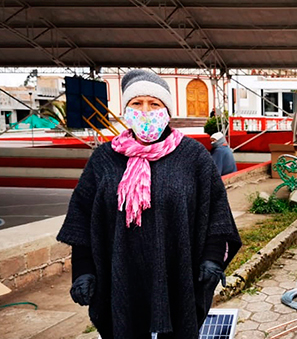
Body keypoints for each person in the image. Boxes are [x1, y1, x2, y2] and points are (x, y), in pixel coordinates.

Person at [57, 69, 242, 339]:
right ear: (126, 110)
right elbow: (82, 220)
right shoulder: (104, 159)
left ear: (166, 109)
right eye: (136, 103)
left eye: (154, 104)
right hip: (121, 272)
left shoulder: (192, 157)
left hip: (178, 270)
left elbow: (215, 210)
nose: (145, 111)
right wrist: (83, 271)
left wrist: (212, 258)